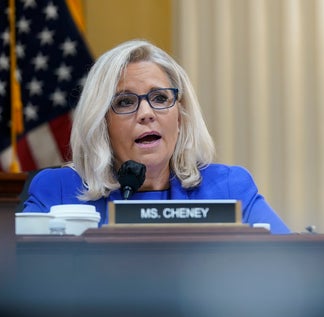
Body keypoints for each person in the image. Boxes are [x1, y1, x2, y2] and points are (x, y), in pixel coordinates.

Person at [21, 39, 291, 234]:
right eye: (126, 102)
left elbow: (292, 265)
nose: (146, 113)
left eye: (160, 98)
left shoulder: (230, 188)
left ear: (180, 115)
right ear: (102, 122)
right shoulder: (57, 191)